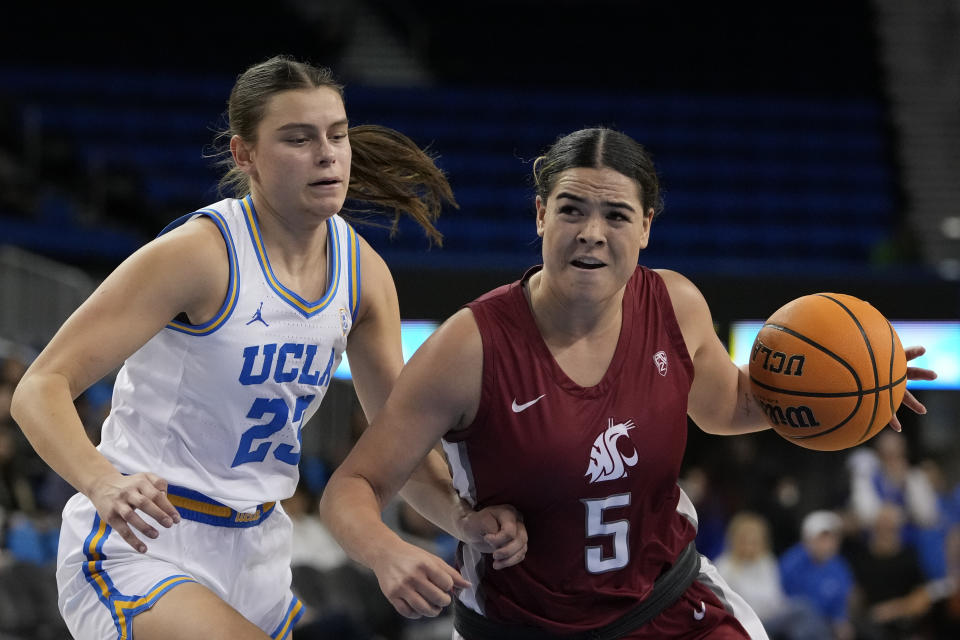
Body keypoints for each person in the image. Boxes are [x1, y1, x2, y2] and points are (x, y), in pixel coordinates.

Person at [318, 126, 938, 639]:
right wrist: (388, 550)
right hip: (523, 626)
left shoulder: (677, 305)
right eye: (571, 209)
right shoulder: (471, 344)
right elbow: (353, 486)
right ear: (540, 216)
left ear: (645, 227)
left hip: (665, 605)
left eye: (616, 214)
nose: (592, 231)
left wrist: (863, 391)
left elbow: (734, 404)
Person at [9, 55, 527, 640]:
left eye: (337, 135)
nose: (327, 154)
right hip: (144, 542)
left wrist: (466, 520)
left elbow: (398, 448)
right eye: (298, 139)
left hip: (259, 551)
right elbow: (40, 386)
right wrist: (101, 482)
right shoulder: (199, 254)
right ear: (244, 155)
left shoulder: (364, 275)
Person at [714, 512, 830, 640]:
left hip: (771, 617)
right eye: (746, 540)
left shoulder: (767, 562)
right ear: (735, 539)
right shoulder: (725, 566)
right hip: (745, 622)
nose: (750, 545)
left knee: (800, 626)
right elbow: (724, 606)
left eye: (755, 541)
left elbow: (776, 597)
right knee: (802, 609)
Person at [779, 510, 856, 640]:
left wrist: (841, 620)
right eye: (822, 538)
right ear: (808, 539)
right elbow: (786, 602)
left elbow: (841, 601)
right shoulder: (791, 563)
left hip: (827, 623)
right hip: (796, 624)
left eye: (832, 538)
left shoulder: (839, 565)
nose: (828, 544)